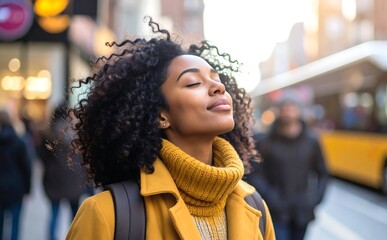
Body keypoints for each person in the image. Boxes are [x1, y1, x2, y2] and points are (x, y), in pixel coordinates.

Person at [65, 17, 275, 240]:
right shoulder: (107, 214)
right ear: (160, 115)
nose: (218, 87)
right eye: (194, 83)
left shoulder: (256, 207)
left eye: (217, 79)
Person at [247, 98, 329, 240]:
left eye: (291, 108)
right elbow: (255, 173)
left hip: (302, 212)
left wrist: (314, 200)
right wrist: (271, 198)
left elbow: (323, 173)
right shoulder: (266, 141)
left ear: (299, 111)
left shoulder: (311, 142)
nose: (287, 112)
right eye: (284, 108)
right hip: (276, 211)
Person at [38, 104, 90, 240]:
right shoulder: (76, 132)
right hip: (74, 179)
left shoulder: (48, 133)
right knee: (75, 215)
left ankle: (51, 237)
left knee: (54, 214)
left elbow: (42, 157)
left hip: (54, 179)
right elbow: (84, 158)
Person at [0, 109, 32, 240]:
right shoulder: (19, 142)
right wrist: (27, 189)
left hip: (1, 188)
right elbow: (26, 167)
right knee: (15, 223)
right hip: (16, 188)